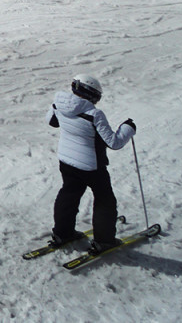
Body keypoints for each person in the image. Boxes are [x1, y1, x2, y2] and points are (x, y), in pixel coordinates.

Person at [48, 73, 135, 251]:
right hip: (91, 166)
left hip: (66, 161)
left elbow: (52, 122)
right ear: (92, 95)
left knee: (69, 194)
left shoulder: (58, 104)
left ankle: (62, 233)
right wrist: (128, 128)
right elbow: (114, 142)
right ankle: (104, 240)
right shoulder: (94, 114)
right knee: (104, 200)